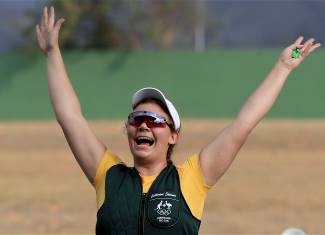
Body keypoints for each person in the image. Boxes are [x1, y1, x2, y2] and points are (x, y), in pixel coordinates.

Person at [36, 6, 321, 235]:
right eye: (137, 119)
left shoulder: (192, 179)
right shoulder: (108, 176)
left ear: (174, 135)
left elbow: (243, 123)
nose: (144, 125)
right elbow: (70, 117)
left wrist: (284, 66)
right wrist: (52, 53)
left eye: (155, 120)